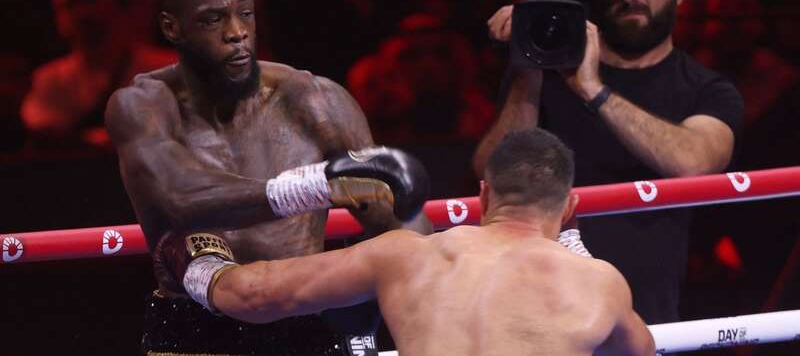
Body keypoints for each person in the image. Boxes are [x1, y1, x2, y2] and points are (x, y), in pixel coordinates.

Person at [105, 0, 431, 356]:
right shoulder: (142, 106)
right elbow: (177, 199)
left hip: (304, 323)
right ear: (172, 27)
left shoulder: (317, 102)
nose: (236, 32)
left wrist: (398, 230)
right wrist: (317, 184)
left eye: (245, 12)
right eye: (212, 19)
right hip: (192, 328)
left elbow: (403, 229)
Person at [162, 129, 655, 356]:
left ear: (483, 195)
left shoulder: (409, 255)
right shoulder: (599, 284)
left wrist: (191, 254)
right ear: (569, 207)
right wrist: (578, 255)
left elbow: (253, 295)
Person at [473, 0, 744, 324]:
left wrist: (593, 89)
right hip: (537, 314)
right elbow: (489, 172)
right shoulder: (545, 71)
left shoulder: (706, 90)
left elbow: (695, 161)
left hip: (643, 317)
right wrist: (527, 71)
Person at [21, 0, 175, 147]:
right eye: (68, 5)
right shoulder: (49, 82)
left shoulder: (167, 71)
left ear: (120, 1)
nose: (80, 14)